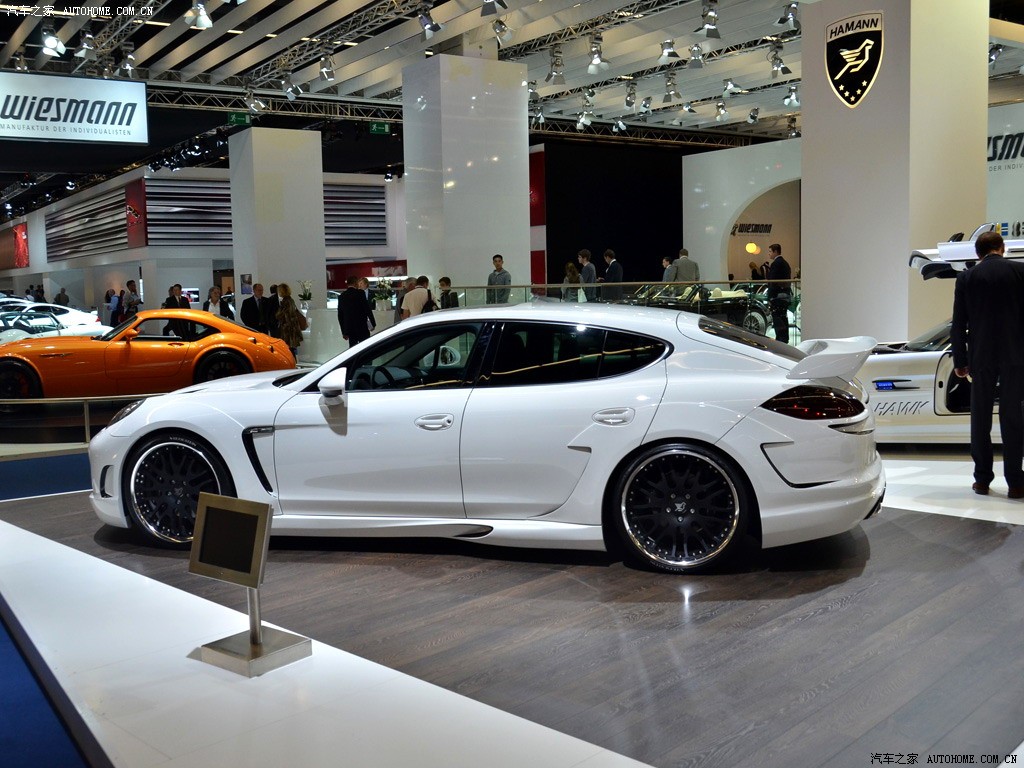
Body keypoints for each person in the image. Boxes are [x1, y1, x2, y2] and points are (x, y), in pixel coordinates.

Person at [951, 231, 1024, 498]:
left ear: (977, 254)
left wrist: (960, 360)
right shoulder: (1021, 272)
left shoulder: (966, 278)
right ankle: (1016, 483)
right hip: (1016, 355)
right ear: (1002, 248)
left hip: (981, 356)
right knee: (1012, 416)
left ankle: (982, 479)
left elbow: (959, 323)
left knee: (980, 416)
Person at [765, 243, 792, 344]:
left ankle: (780, 340)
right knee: (783, 317)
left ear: (775, 252)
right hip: (785, 295)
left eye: (770, 251)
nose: (769, 254)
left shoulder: (776, 264)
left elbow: (772, 281)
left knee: (778, 318)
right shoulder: (785, 263)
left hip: (777, 296)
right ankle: (784, 339)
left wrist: (770, 297)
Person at [338, 275, 374, 347]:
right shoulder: (361, 293)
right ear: (355, 283)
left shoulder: (342, 296)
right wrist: (372, 323)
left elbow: (340, 315)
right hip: (362, 327)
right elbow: (367, 309)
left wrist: (344, 332)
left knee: (353, 348)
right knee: (365, 347)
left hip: (350, 329)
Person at [275, 282, 307, 357]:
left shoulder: (285, 302)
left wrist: (277, 314)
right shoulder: (290, 300)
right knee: (292, 348)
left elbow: (279, 315)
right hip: (292, 327)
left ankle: (292, 362)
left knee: (289, 349)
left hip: (288, 329)